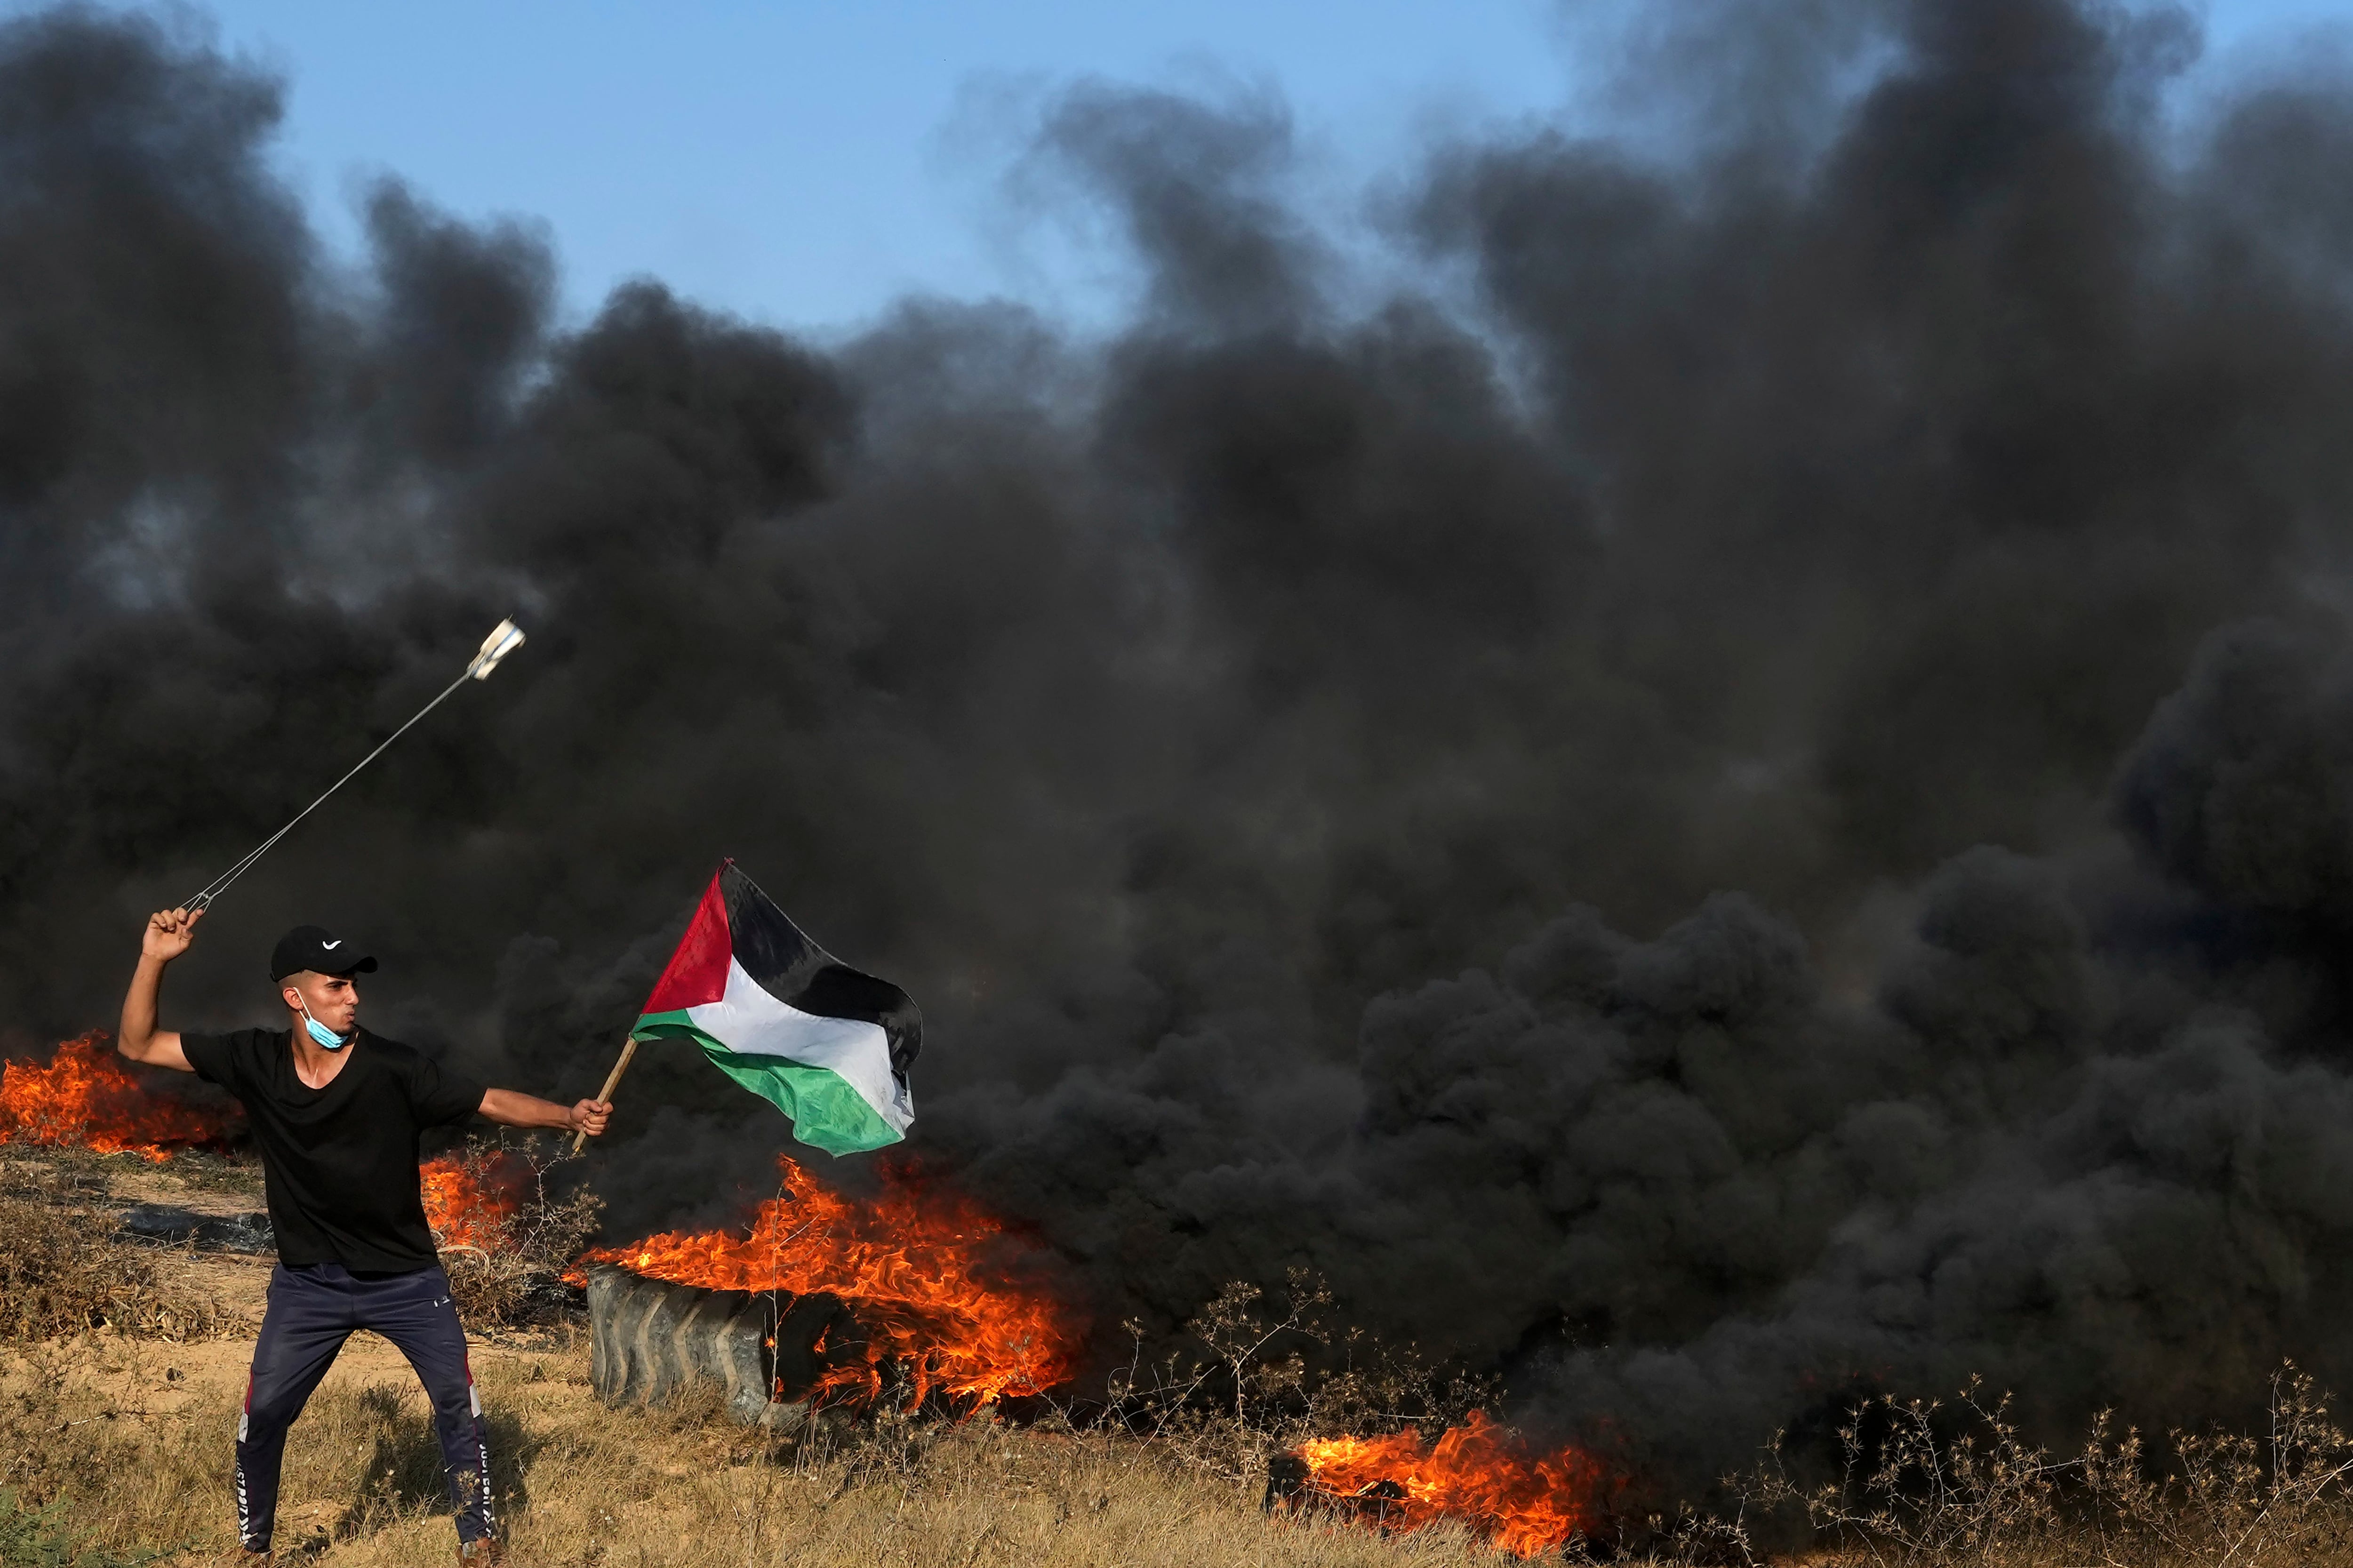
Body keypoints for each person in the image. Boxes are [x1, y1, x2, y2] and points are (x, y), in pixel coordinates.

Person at [117, 906, 612, 1566]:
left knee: (455, 1406)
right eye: (336, 985)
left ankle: (478, 1541)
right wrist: (154, 957)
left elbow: (490, 1101)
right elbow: (139, 1045)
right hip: (307, 1285)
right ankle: (253, 1549)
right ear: (295, 997)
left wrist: (566, 1114)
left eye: (355, 984)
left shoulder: (393, 1067)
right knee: (263, 1416)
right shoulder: (252, 1059)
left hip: (406, 1280)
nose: (354, 997)